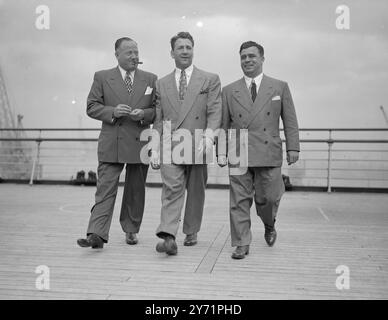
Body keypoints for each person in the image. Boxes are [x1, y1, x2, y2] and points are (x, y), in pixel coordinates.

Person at [217, 41, 300, 259]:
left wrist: (293, 147)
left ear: (262, 58)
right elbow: (223, 124)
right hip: (238, 152)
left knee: (270, 197)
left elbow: (290, 120)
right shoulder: (228, 90)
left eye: (252, 56)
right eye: (243, 56)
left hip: (268, 151)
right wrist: (221, 151)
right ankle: (242, 243)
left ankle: (269, 223)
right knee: (239, 200)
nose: (247, 60)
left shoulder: (279, 86)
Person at [77, 37, 157, 249]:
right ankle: (96, 233)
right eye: (129, 52)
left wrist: (145, 114)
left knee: (136, 189)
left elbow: (159, 111)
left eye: (136, 52)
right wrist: (112, 111)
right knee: (104, 189)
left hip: (140, 142)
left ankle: (131, 230)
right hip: (112, 142)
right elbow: (91, 106)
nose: (134, 56)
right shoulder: (102, 77)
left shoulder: (151, 79)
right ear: (117, 55)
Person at [150, 32, 222, 255]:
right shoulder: (161, 84)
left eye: (188, 47)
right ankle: (169, 235)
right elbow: (159, 118)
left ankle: (191, 230)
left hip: (199, 142)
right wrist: (154, 147)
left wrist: (210, 136)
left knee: (196, 190)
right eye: (180, 47)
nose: (184, 51)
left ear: (193, 50)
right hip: (171, 144)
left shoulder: (210, 79)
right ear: (172, 52)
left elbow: (214, 110)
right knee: (171, 189)